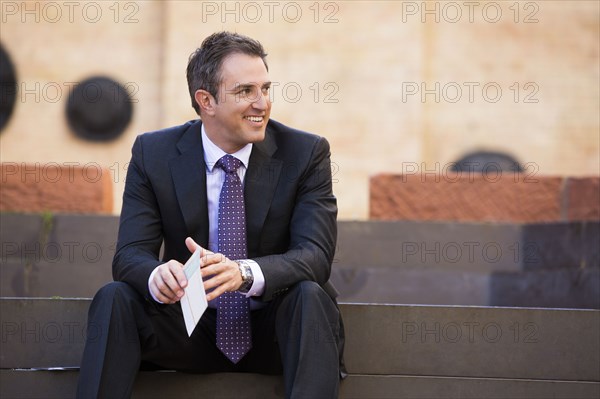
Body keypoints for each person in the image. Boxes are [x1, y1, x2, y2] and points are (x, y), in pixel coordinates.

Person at [76, 31, 345, 399]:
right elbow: (129, 256)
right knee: (115, 297)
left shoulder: (306, 153)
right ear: (206, 101)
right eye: (245, 91)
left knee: (310, 296)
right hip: (189, 327)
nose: (261, 103)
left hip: (275, 332)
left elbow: (314, 256)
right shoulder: (154, 154)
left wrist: (243, 273)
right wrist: (158, 275)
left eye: (265, 89)